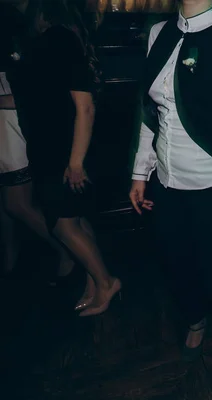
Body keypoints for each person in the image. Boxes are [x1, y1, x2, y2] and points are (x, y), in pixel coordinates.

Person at [129, 0, 212, 389]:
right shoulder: (159, 33)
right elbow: (149, 112)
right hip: (167, 185)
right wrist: (141, 171)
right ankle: (195, 320)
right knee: (176, 264)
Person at [11, 0, 121, 316]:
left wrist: (75, 162)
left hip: (62, 151)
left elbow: (84, 106)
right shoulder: (63, 38)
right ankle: (94, 283)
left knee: (61, 225)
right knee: (75, 221)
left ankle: (106, 281)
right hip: (56, 148)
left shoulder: (57, 39)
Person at [0, 0, 76, 279]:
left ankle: (71, 252)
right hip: (19, 101)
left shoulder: (39, 24)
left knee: (16, 201)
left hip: (15, 106)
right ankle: (11, 261)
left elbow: (36, 87)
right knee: (8, 200)